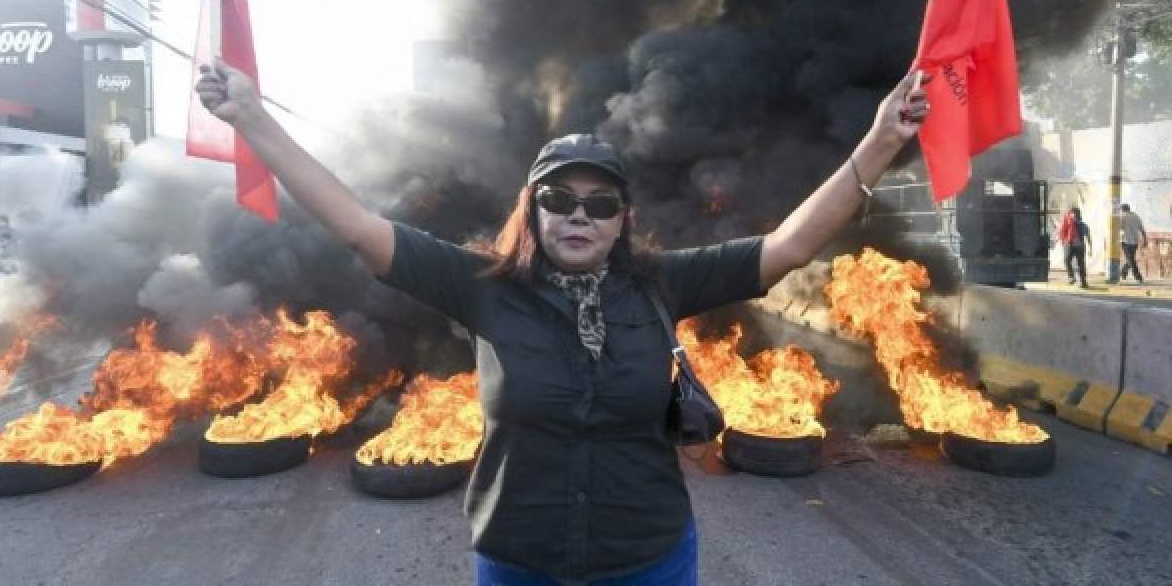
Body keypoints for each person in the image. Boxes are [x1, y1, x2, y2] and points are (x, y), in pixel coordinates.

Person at [196, 60, 930, 585]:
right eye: (560, 199)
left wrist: (879, 143)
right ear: (534, 211)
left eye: (601, 203)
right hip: (520, 560)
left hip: (648, 557)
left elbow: (789, 247)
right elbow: (358, 227)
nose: (580, 214)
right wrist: (252, 119)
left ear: (623, 220)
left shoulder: (662, 284)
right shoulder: (483, 287)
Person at [1058, 206, 1091, 289]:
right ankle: (1073, 277)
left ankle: (1082, 281)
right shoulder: (1070, 223)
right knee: (1068, 260)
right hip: (1071, 245)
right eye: (1071, 214)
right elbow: (1063, 231)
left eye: (1073, 214)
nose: (1072, 216)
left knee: (1078, 263)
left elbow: (1088, 237)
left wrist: (1090, 248)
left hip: (1077, 246)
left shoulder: (1082, 224)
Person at [1117, 203, 1148, 284]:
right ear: (1129, 209)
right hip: (1135, 242)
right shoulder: (1136, 216)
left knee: (1131, 260)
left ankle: (1138, 277)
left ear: (1122, 209)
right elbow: (1142, 230)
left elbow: (1119, 228)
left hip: (1126, 241)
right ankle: (1123, 272)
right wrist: (1145, 240)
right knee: (1130, 259)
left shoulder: (1122, 217)